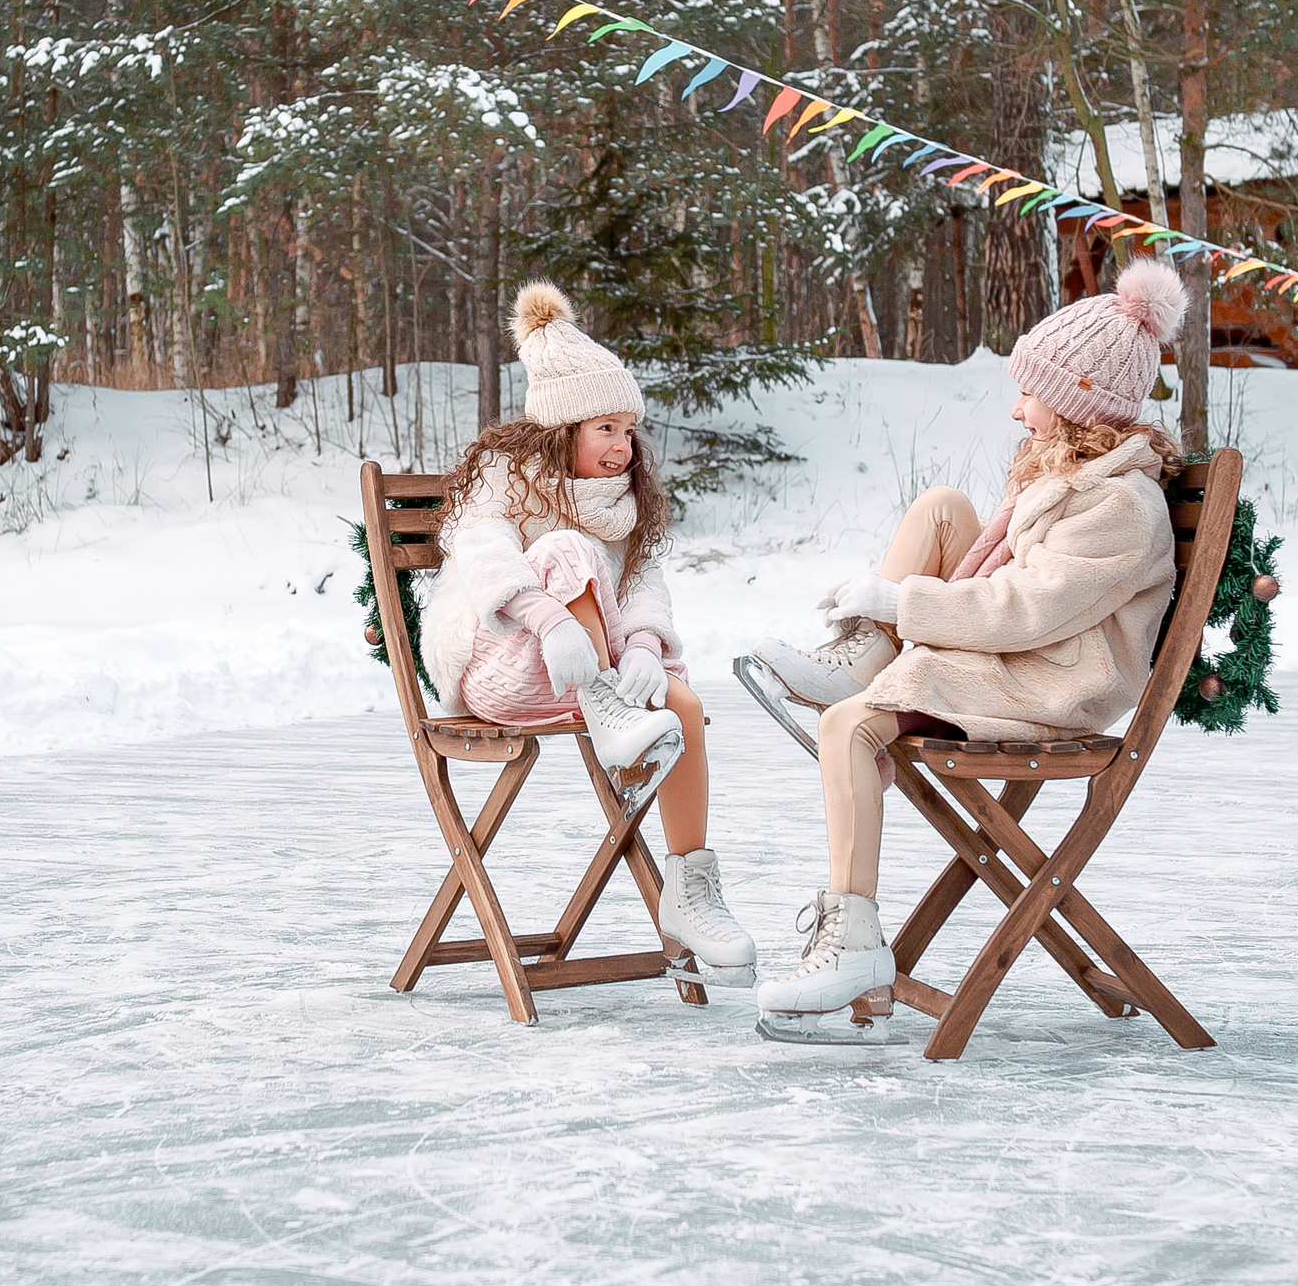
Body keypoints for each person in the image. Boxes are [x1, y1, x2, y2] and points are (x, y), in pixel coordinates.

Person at [749, 260, 1191, 1023]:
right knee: (944, 506)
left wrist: (902, 601)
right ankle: (864, 658)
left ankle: (853, 943)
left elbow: (1027, 609)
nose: (1017, 410)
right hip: (1029, 655)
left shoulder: (1121, 505)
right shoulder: (1078, 477)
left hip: (1052, 680)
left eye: (1031, 393)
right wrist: (900, 610)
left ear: (1078, 401)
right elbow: (1012, 585)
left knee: (847, 727)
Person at [418, 282, 756, 985]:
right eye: (605, 428)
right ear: (562, 427)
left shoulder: (623, 502)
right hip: (498, 665)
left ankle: (689, 893)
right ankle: (612, 709)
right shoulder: (503, 478)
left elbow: (642, 584)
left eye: (629, 430)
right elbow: (482, 551)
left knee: (683, 704)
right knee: (568, 550)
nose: (622, 447)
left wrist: (642, 646)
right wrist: (546, 618)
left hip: (585, 675)